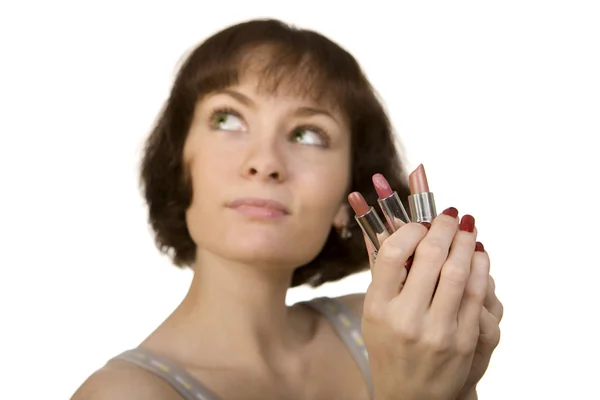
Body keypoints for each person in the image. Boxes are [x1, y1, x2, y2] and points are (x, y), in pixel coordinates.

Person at [71, 18, 503, 400]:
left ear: (345, 199)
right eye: (228, 120)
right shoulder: (121, 393)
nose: (266, 162)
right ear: (181, 167)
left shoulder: (388, 332)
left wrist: (458, 385)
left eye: (309, 134)